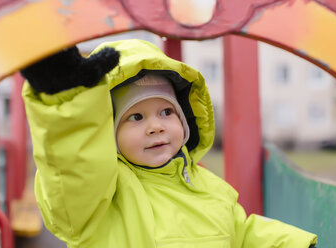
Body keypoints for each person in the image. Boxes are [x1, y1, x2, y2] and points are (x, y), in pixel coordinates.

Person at [21, 39, 317, 248]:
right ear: (108, 133)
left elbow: (241, 234)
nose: (156, 126)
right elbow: (76, 168)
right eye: (135, 117)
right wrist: (68, 99)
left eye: (166, 112)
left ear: (185, 120)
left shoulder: (209, 188)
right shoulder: (103, 195)